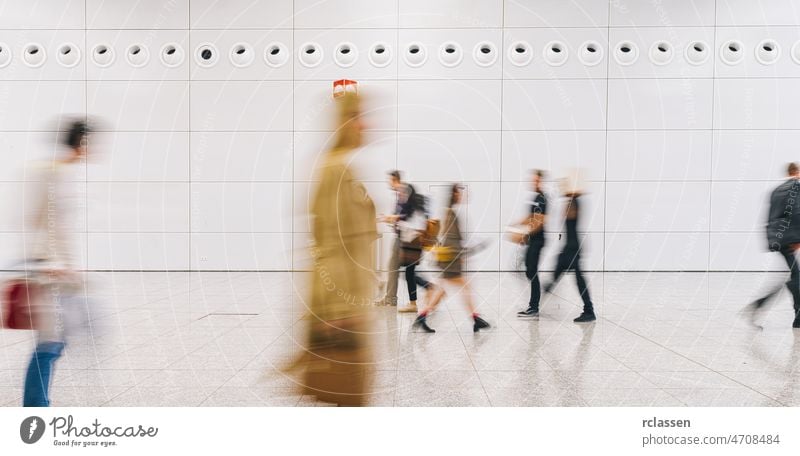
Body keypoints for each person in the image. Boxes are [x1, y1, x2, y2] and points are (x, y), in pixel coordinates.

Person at [285, 93, 377, 406]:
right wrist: (338, 310)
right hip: (343, 311)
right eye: (359, 116)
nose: (367, 124)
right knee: (345, 395)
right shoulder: (335, 170)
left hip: (354, 306)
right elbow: (327, 245)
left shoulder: (344, 169)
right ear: (344, 123)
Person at [22, 120, 89, 406]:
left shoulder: (54, 173)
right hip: (50, 270)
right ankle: (36, 408)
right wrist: (53, 261)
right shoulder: (56, 175)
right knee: (50, 343)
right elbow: (50, 223)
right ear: (81, 143)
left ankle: (37, 405)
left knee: (53, 341)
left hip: (52, 268)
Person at [413, 184, 490, 333]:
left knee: (443, 290)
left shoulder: (449, 212)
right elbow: (451, 240)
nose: (462, 196)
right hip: (451, 260)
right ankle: (475, 319)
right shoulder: (450, 214)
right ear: (453, 195)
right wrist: (464, 253)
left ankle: (422, 317)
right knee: (462, 288)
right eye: (459, 193)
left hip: (449, 259)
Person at [746, 162, 800, 329]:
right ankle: (797, 317)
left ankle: (760, 305)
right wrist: (796, 239)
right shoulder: (795, 188)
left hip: (779, 239)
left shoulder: (776, 191)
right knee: (796, 278)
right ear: (796, 172)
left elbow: (771, 217)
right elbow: (796, 213)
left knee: (794, 275)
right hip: (790, 238)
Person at [542, 179, 596, 323]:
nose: (561, 189)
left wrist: (570, 197)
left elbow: (572, 215)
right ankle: (545, 290)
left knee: (579, 280)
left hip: (574, 248)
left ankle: (589, 310)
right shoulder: (571, 202)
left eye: (564, 187)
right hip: (569, 247)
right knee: (558, 266)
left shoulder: (574, 202)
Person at [396, 184, 437, 314]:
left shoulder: (414, 208)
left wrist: (399, 223)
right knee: (409, 273)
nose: (400, 194)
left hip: (413, 244)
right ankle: (426, 289)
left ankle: (418, 298)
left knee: (409, 273)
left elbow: (416, 227)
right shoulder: (412, 207)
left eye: (402, 192)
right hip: (411, 244)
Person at [516, 169, 548, 318]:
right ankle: (533, 305)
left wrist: (524, 234)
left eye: (536, 180)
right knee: (530, 270)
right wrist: (517, 226)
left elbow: (539, 221)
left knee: (532, 272)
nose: (533, 182)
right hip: (533, 239)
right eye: (532, 180)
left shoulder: (542, 198)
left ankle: (534, 307)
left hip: (538, 240)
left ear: (541, 181)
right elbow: (531, 218)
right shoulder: (536, 198)